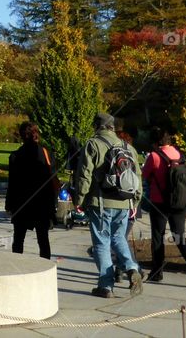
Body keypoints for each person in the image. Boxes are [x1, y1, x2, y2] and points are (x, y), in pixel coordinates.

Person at [71, 112, 144, 299]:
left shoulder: (93, 144)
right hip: (125, 201)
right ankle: (131, 268)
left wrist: (79, 200)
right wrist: (135, 201)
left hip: (100, 202)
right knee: (119, 238)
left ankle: (106, 286)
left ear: (97, 126)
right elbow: (137, 177)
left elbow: (84, 175)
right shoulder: (128, 147)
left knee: (101, 243)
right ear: (112, 127)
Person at [141, 127, 186, 286]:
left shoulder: (154, 156)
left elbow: (144, 175)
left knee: (158, 237)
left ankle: (157, 272)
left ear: (155, 142)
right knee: (179, 236)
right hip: (179, 201)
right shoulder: (178, 154)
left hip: (159, 202)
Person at [5, 122, 56, 260]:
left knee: (18, 240)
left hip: (22, 202)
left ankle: (17, 266)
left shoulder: (16, 156)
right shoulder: (46, 153)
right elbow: (52, 180)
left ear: (22, 136)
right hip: (42, 202)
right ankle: (45, 268)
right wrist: (53, 204)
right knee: (43, 240)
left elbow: (12, 183)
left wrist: (9, 204)